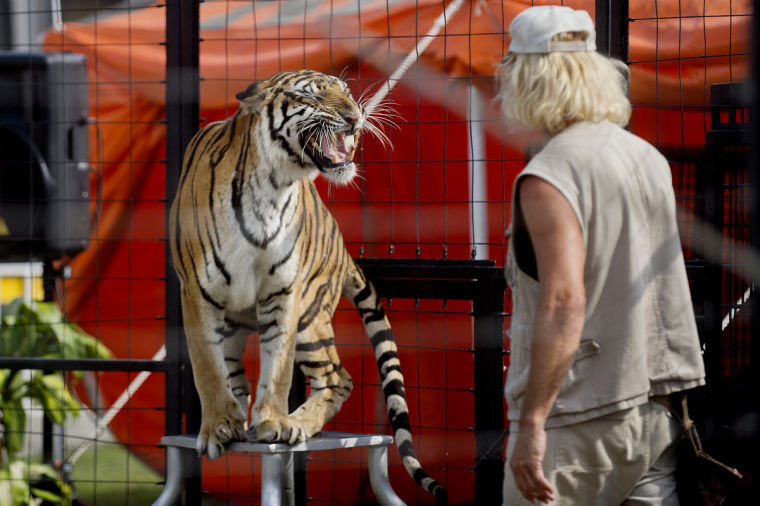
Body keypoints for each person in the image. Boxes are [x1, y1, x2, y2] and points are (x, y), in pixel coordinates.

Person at [497, 6, 706, 505]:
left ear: (527, 78)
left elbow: (564, 301)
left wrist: (532, 425)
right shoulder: (646, 157)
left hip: (577, 421)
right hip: (658, 411)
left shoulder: (549, 175)